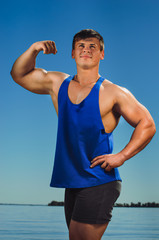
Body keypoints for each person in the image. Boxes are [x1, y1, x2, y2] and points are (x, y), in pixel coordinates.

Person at [10, 29, 156, 240]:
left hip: (99, 181)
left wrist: (121, 156)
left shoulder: (113, 92)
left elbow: (147, 124)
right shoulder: (57, 83)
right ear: (73, 53)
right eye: (81, 46)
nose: (86, 50)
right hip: (73, 183)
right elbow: (19, 75)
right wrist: (33, 49)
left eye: (92, 47)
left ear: (101, 54)